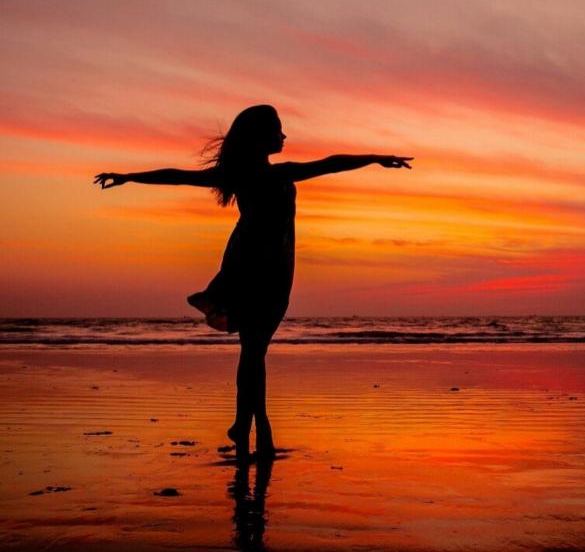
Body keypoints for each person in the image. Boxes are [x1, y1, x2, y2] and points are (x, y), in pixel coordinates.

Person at [94, 105, 412, 461]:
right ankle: (258, 428)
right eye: (278, 130)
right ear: (260, 138)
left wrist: (374, 158)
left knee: (253, 350)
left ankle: (245, 425)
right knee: (254, 349)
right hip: (258, 267)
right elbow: (178, 175)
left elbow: (331, 163)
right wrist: (129, 177)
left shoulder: (249, 176)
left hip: (269, 266)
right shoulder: (267, 176)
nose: (284, 136)